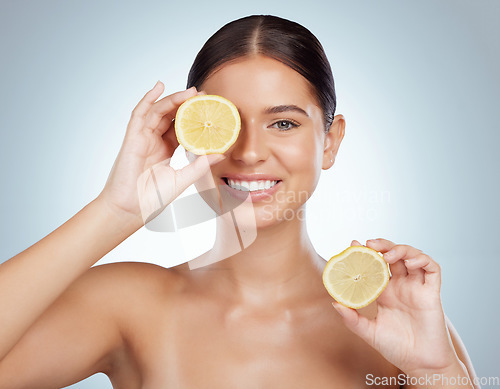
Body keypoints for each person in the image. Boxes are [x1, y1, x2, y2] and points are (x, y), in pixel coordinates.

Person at [0, 15, 478, 389]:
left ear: (331, 142)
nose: (248, 153)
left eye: (284, 123)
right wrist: (116, 211)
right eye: (227, 122)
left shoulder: (395, 323)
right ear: (188, 133)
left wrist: (436, 369)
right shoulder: (129, 306)